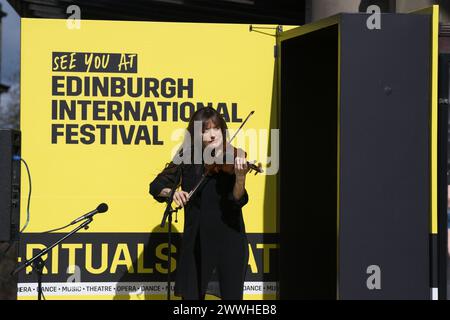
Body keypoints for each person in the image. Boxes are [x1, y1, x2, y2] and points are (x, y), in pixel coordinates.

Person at [149, 107, 250, 300]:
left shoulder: (235, 156)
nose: (212, 135)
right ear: (196, 134)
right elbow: (156, 186)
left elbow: (236, 201)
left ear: (223, 130)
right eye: (205, 130)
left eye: (216, 129)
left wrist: (240, 179)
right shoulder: (187, 156)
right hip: (197, 241)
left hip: (230, 240)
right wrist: (172, 193)